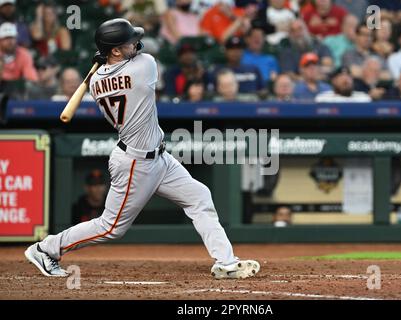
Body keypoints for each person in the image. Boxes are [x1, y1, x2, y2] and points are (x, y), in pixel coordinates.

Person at [25, 18, 260, 279]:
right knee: (111, 227)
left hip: (157, 157)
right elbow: (139, 55)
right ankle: (46, 249)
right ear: (115, 50)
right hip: (136, 162)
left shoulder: (94, 82)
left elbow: (119, 65)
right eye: (128, 42)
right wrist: (111, 56)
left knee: (199, 197)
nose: (135, 43)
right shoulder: (144, 67)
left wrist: (106, 58)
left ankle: (226, 262)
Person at [0, 22, 37, 98]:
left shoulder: (24, 54)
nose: (10, 41)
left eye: (12, 37)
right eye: (6, 38)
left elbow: (31, 78)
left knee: (32, 88)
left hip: (17, 92)